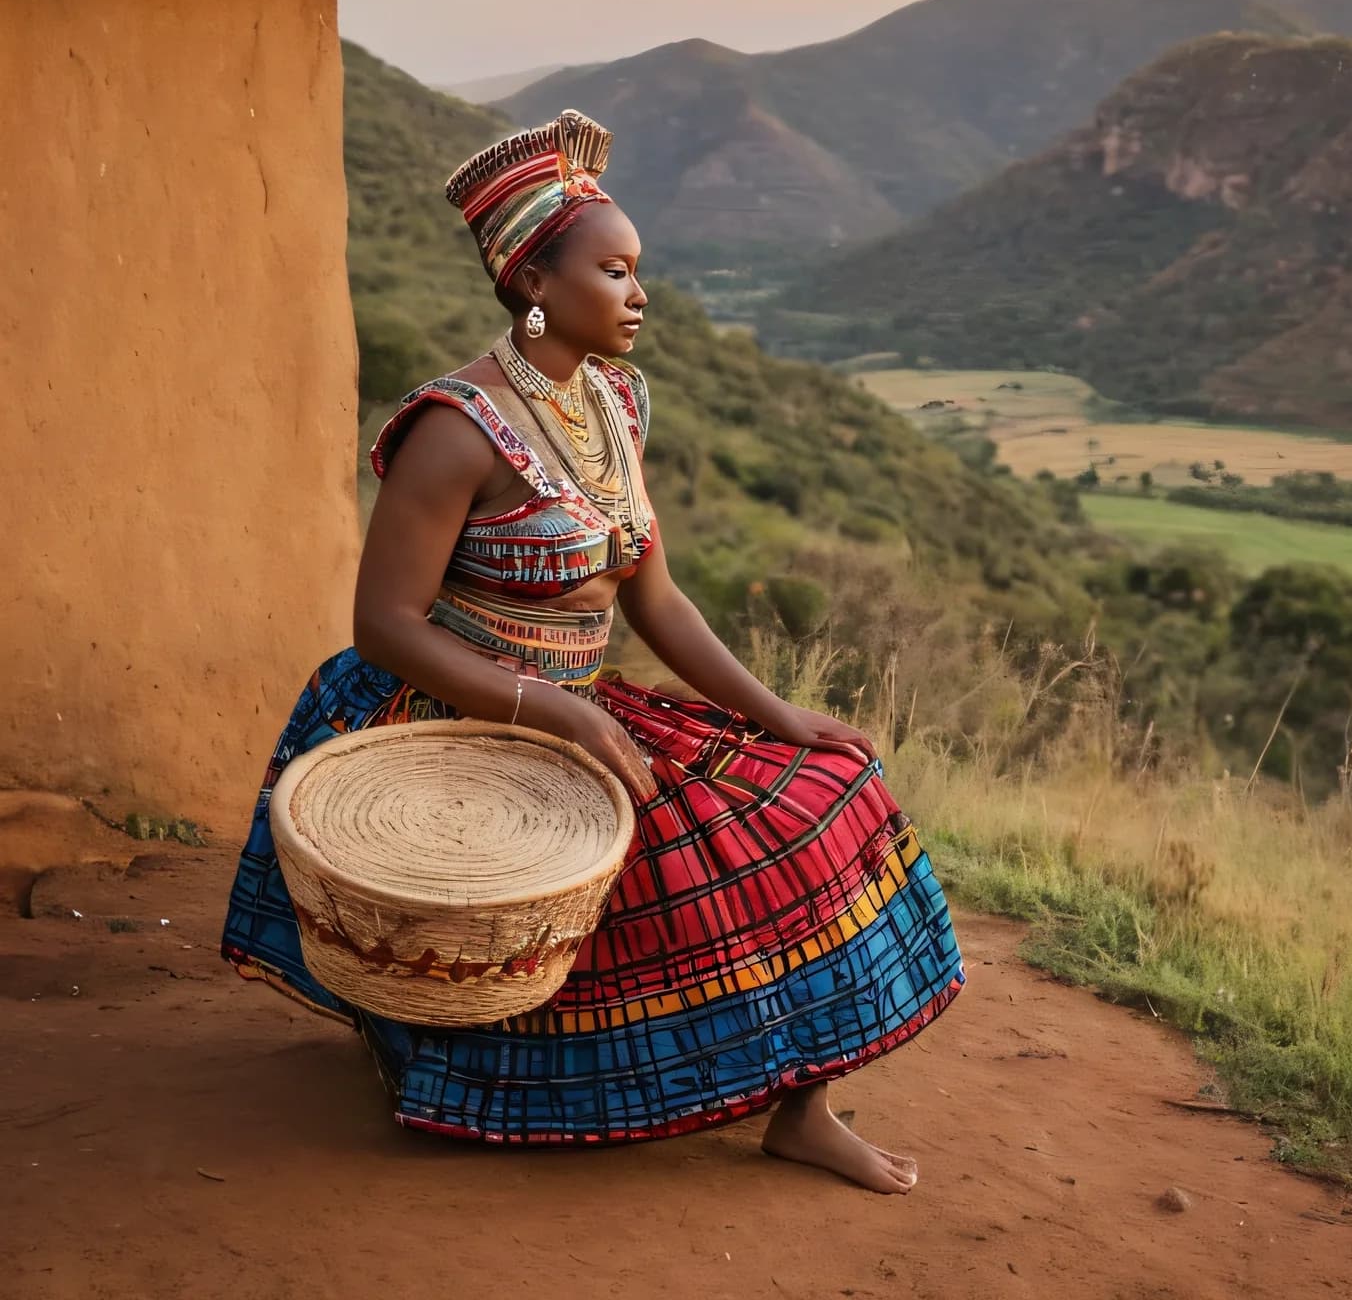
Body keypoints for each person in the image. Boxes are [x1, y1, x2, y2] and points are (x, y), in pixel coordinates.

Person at [222, 108, 962, 1188]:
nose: (638, 293)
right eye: (614, 272)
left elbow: (657, 597)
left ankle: (801, 1107)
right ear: (534, 282)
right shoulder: (455, 430)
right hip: (457, 709)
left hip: (579, 700)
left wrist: (775, 713)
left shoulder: (612, 403)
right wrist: (557, 712)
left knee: (827, 789)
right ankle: (453, 1057)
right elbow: (384, 625)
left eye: (637, 271)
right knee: (671, 872)